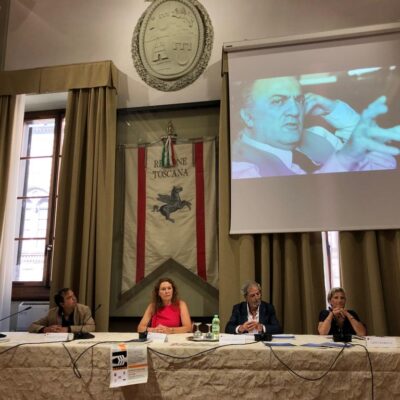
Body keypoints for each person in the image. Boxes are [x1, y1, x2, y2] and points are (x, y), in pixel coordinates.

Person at [232, 76, 400, 178]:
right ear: (248, 116)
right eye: (278, 101)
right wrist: (344, 158)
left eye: (298, 100)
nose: (295, 111)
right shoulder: (239, 167)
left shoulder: (319, 136)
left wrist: (337, 111)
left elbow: (383, 170)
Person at [28, 288, 95, 334]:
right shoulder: (52, 313)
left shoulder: (84, 310)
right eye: (69, 298)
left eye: (73, 295)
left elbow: (91, 327)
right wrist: (45, 329)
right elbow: (32, 326)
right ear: (62, 304)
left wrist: (68, 329)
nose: (74, 298)